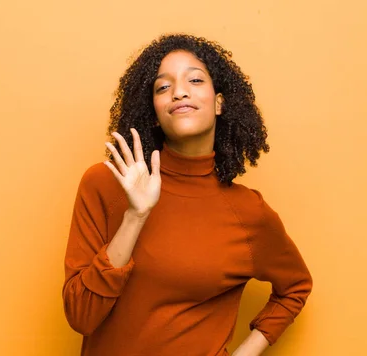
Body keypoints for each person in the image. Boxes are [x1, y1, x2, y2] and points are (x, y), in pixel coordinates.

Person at [62, 33, 313, 356]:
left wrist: (244, 353)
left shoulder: (247, 212)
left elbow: (295, 287)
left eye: (195, 80)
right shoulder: (106, 184)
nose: (179, 91)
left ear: (220, 102)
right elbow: (81, 317)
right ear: (153, 112)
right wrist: (135, 216)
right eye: (163, 87)